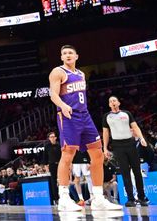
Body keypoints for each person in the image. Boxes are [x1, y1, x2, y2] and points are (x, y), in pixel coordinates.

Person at [49, 44, 122, 212]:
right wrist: (63, 105)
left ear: (76, 56)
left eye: (70, 53)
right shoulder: (58, 72)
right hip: (68, 116)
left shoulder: (81, 74)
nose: (67, 55)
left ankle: (98, 198)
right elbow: (53, 94)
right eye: (64, 53)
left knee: (97, 154)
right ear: (61, 57)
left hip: (85, 116)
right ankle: (64, 198)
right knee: (68, 154)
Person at [102, 95, 149, 206]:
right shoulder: (106, 116)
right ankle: (131, 199)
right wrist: (105, 147)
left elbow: (135, 126)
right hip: (117, 146)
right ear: (109, 105)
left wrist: (141, 138)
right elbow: (106, 133)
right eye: (110, 101)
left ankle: (142, 197)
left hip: (130, 144)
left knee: (137, 171)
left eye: (114, 100)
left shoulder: (126, 114)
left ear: (118, 103)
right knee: (125, 173)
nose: (112, 102)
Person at [46, 131, 62, 204]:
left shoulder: (59, 145)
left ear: (56, 137)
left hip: (60, 164)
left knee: (62, 180)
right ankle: (56, 198)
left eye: (53, 137)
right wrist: (46, 165)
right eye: (51, 137)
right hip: (52, 165)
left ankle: (64, 196)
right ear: (49, 138)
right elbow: (44, 156)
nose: (52, 138)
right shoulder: (47, 146)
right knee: (53, 182)